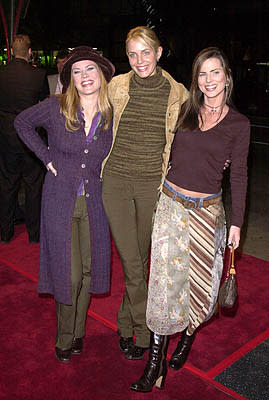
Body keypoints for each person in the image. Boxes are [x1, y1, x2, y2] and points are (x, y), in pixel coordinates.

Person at [130, 46, 250, 392]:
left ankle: (186, 337)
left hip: (206, 215)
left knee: (202, 288)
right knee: (163, 288)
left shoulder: (239, 124)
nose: (209, 80)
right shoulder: (185, 109)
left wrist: (237, 223)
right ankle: (155, 366)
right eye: (202, 73)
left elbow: (239, 175)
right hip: (170, 209)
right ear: (195, 79)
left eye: (215, 72)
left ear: (227, 77)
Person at [14, 46, 115, 363]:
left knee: (87, 271)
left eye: (90, 69)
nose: (85, 76)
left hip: (95, 202)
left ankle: (78, 332)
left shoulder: (111, 115)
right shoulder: (56, 106)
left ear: (101, 75)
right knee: (69, 274)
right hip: (60, 200)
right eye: (77, 71)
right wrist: (45, 157)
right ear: (70, 78)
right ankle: (64, 336)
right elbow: (21, 123)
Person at [101, 26, 189, 360]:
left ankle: (125, 324)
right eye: (132, 54)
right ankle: (145, 331)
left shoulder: (176, 93)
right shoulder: (118, 85)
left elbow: (193, 133)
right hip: (116, 182)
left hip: (153, 184)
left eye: (146, 52)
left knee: (137, 260)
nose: (139, 61)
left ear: (160, 52)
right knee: (132, 261)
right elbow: (90, 114)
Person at [0, 34, 49, 244]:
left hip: (5, 137)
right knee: (33, 185)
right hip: (31, 138)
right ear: (29, 52)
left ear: (11, 51)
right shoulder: (38, 76)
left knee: (7, 185)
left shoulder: (1, 74)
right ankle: (34, 235)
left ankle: (5, 233)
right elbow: (44, 107)